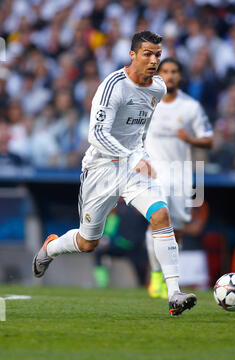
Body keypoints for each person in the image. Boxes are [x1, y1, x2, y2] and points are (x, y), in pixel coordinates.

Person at [32, 31, 197, 317]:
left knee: (161, 215)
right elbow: (96, 134)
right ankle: (51, 247)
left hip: (134, 168)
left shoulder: (158, 87)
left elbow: (142, 126)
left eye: (157, 54)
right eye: (147, 53)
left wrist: (141, 153)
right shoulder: (113, 86)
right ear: (132, 55)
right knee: (88, 242)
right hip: (102, 169)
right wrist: (133, 156)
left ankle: (174, 294)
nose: (154, 60)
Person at [144, 57, 213, 299]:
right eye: (165, 71)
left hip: (181, 176)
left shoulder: (191, 107)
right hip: (153, 173)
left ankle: (168, 278)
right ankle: (155, 275)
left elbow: (209, 139)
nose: (170, 75)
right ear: (158, 74)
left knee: (177, 232)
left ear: (180, 76)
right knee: (156, 222)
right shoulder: (147, 101)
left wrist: (190, 139)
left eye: (174, 71)